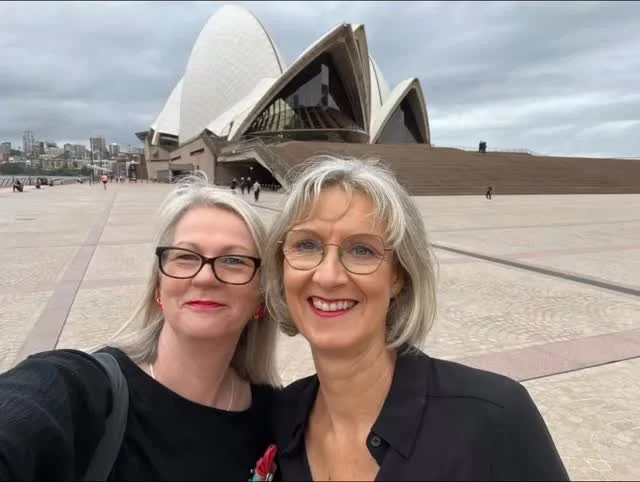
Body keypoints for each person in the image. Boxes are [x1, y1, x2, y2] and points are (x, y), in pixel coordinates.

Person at [264, 156, 569, 481]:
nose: (328, 276)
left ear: (399, 275)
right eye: (307, 245)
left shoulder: (493, 418)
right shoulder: (279, 417)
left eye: (362, 250)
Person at [0, 173, 280, 480]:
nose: (204, 278)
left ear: (261, 297)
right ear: (159, 287)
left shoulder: (277, 416)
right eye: (185, 256)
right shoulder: (84, 390)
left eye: (234, 260)